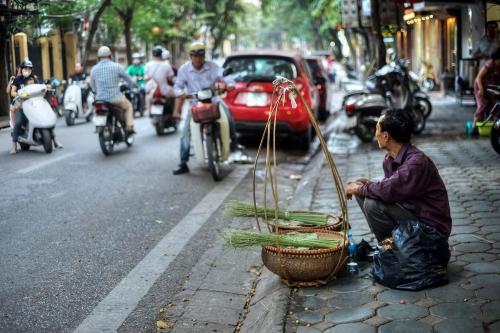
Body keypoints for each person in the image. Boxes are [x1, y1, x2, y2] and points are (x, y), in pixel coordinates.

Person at [345, 109, 452, 242]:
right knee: (364, 192)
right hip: (412, 216)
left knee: (372, 204)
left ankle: (391, 250)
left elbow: (388, 190)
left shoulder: (416, 163)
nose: (375, 134)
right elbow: (391, 188)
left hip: (431, 230)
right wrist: (363, 187)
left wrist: (358, 188)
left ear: (386, 136)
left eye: (377, 129)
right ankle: (392, 245)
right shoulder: (389, 159)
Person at [171, 41, 242, 175]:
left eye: (200, 56)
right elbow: (177, 87)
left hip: (214, 101)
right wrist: (180, 94)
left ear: (204, 56)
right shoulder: (184, 70)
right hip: (195, 104)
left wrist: (229, 84)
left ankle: (235, 147)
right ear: (190, 56)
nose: (198, 59)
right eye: (195, 56)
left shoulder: (213, 66)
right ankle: (183, 162)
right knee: (185, 133)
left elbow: (227, 77)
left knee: (228, 118)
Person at [9, 60, 62, 154]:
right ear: (21, 69)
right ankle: (14, 145)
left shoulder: (34, 78)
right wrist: (18, 93)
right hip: (22, 105)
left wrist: (46, 88)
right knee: (18, 122)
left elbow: (41, 87)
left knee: (45, 119)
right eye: (25, 68)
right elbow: (12, 92)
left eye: (29, 69)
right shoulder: (18, 79)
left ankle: (54, 140)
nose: (27, 70)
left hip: (35, 104)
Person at [90, 45, 136, 134]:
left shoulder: (94, 69)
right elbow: (128, 79)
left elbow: (92, 85)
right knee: (129, 107)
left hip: (100, 99)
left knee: (95, 109)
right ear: (110, 56)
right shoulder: (117, 66)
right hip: (115, 98)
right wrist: (132, 86)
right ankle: (129, 126)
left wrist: (96, 93)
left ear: (98, 57)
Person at [473, 47, 500, 130]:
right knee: (482, 106)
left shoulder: (498, 66)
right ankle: (474, 127)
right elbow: (478, 78)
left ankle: (492, 128)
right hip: (480, 85)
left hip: (490, 87)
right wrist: (481, 90)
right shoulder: (489, 64)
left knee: (493, 106)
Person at [144, 46, 175, 113]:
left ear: (153, 55)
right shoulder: (166, 65)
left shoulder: (148, 65)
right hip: (164, 90)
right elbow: (170, 78)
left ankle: (148, 110)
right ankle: (174, 113)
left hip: (151, 90)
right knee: (175, 96)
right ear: (161, 55)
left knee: (147, 96)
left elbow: (145, 78)